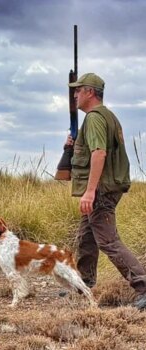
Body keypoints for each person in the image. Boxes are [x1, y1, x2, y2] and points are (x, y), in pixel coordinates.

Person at [66, 73, 146, 310]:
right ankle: (83, 285)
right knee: (86, 238)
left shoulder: (94, 118)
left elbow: (99, 153)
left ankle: (143, 286)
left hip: (101, 189)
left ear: (90, 92)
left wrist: (90, 192)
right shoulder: (107, 117)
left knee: (108, 241)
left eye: (78, 90)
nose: (75, 95)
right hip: (105, 186)